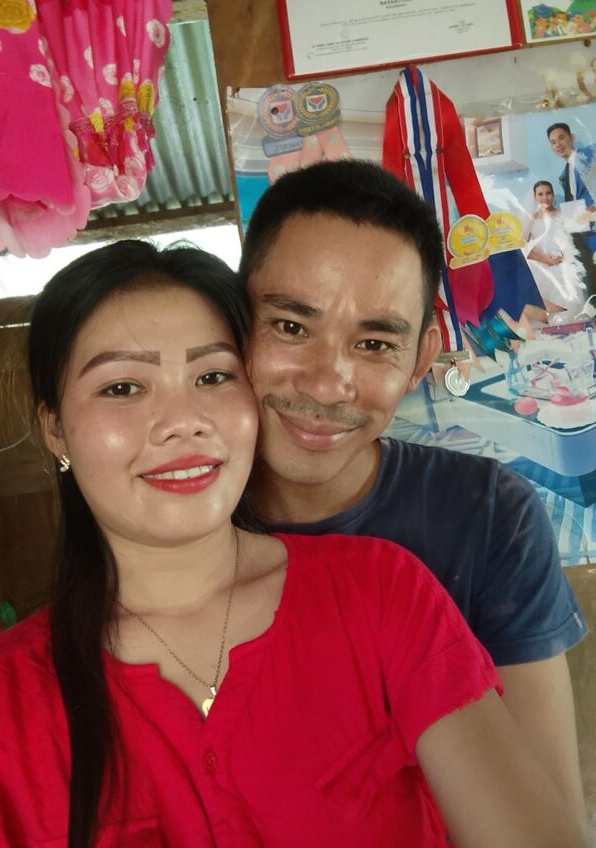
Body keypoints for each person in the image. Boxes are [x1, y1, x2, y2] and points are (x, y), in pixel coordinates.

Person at [0, 241, 584, 847]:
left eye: (212, 376)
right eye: (122, 387)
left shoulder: (381, 592)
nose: (183, 421)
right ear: (55, 428)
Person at [238, 160, 588, 836]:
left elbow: (546, 819)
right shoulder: (180, 524)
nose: (327, 384)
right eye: (290, 327)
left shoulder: (491, 516)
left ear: (422, 358)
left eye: (374, 343)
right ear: (235, 319)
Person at [522, 179, 588, 318]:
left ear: (553, 194)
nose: (545, 197)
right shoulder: (530, 219)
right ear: (535, 197)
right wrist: (543, 258)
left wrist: (565, 255)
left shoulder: (564, 214)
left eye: (548, 193)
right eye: (540, 194)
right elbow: (522, 247)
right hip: (541, 266)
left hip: (564, 264)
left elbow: (577, 241)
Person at [547, 121, 596, 295]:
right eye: (553, 142)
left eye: (561, 138)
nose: (558, 144)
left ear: (571, 137)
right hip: (584, 235)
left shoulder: (591, 153)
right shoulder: (564, 175)